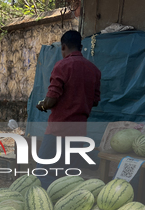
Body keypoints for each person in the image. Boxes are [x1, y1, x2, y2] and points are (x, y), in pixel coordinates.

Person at [36, 30, 101, 188]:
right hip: (79, 132)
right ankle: (66, 206)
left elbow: (51, 100)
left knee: (41, 172)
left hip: (58, 130)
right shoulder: (94, 70)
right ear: (80, 47)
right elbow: (95, 102)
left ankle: (50, 203)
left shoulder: (62, 65)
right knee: (68, 175)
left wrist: (42, 104)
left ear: (63, 46)